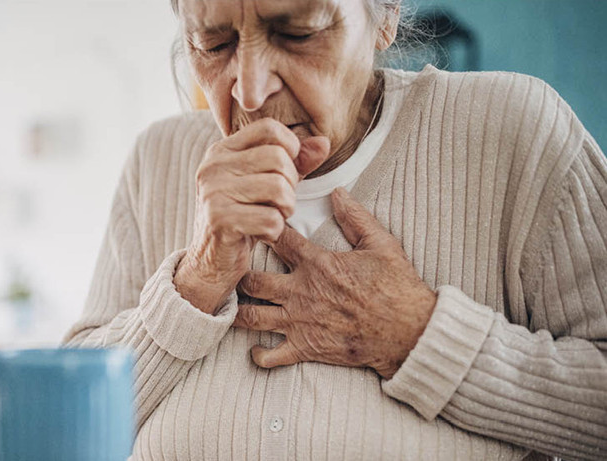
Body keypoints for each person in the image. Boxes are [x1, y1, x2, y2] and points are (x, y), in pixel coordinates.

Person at [64, 0, 607, 459]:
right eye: (213, 44)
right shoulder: (157, 158)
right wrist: (195, 281)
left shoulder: (516, 131)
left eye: (297, 33)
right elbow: (67, 428)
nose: (250, 91)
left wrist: (412, 335)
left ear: (384, 15)